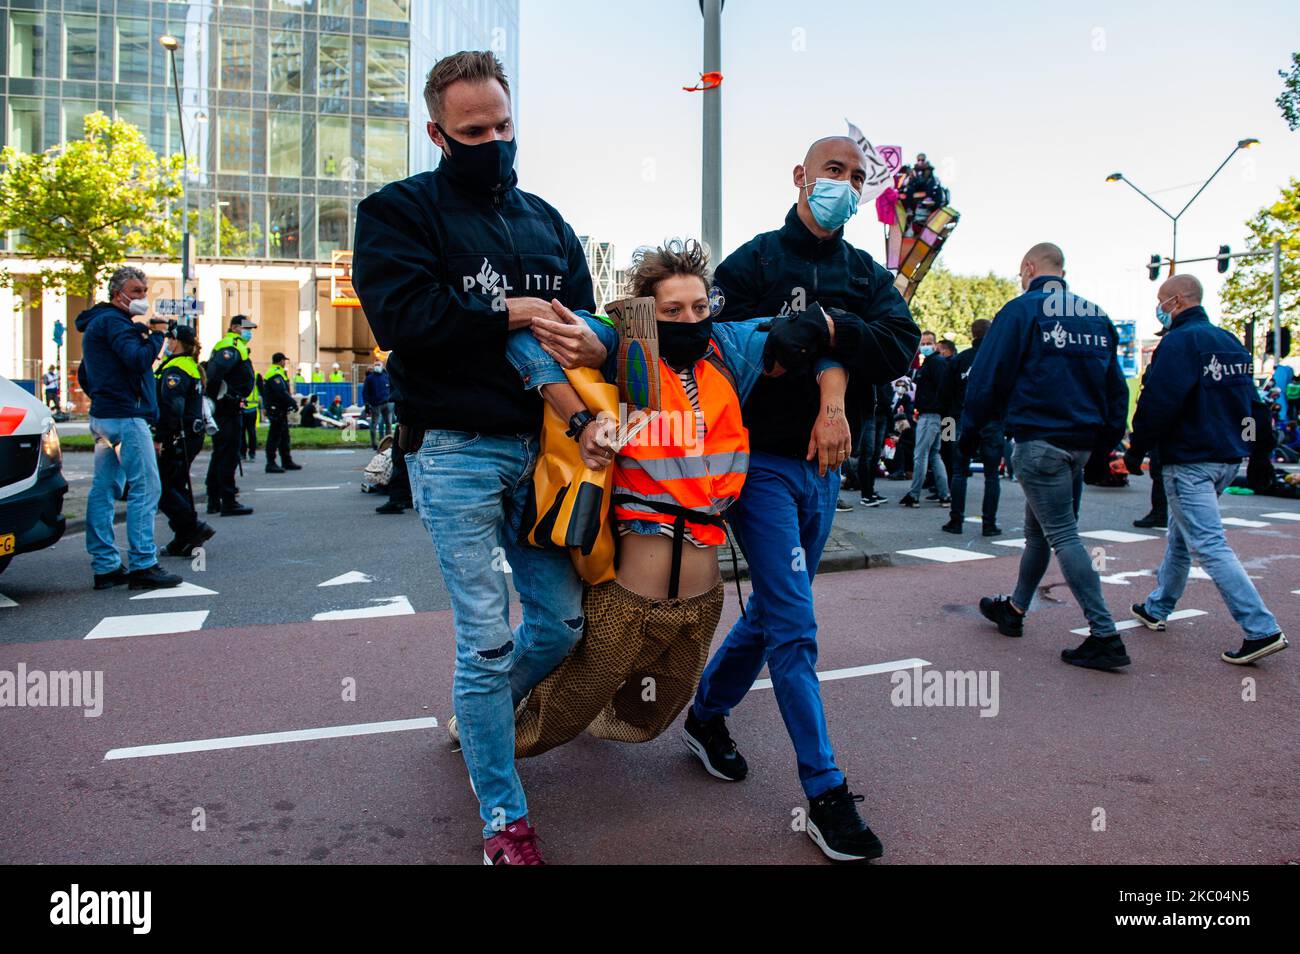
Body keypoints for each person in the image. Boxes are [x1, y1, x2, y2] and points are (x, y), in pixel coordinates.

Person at [352, 49, 610, 865]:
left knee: (561, 625)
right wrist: (514, 310)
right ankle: (504, 818)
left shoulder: (547, 217)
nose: (494, 140)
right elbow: (407, 322)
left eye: (503, 125)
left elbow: (590, 330)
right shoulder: (395, 213)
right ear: (437, 132)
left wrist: (586, 335)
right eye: (474, 130)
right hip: (454, 451)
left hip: (546, 453)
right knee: (485, 641)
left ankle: (482, 712)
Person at [499, 238, 853, 761]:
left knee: (655, 709)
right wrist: (581, 420)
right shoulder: (622, 346)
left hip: (701, 600)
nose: (689, 319)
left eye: (699, 307)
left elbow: (823, 338)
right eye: (672, 310)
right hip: (630, 592)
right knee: (568, 705)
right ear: (647, 312)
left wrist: (832, 404)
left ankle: (558, 722)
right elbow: (526, 342)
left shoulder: (732, 350)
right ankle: (488, 737)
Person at [685, 135, 920, 862]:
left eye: (855, 177)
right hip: (757, 467)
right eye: (832, 172)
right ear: (800, 176)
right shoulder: (753, 261)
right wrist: (825, 351)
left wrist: (824, 333)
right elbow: (710, 342)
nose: (843, 186)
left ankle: (705, 715)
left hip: (825, 472)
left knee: (776, 617)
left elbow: (900, 344)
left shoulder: (863, 271)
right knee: (795, 624)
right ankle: (824, 791)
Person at [963, 243, 1131, 670]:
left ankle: (1105, 634)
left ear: (1029, 268)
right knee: (1040, 533)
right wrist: (1105, 446)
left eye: (1022, 273)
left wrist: (971, 431)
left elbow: (988, 375)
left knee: (1062, 535)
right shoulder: (1096, 315)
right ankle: (1015, 610)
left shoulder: (1022, 311)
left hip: (1040, 441)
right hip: (1080, 443)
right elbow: (1117, 389)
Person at [1124, 274, 1288, 665]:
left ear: (1177, 301)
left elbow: (1158, 403)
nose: (1159, 308)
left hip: (1189, 460)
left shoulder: (1177, 343)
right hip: (1227, 458)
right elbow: (1255, 403)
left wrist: (1136, 450)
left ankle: (1260, 628)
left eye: (1162, 300)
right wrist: (1261, 453)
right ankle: (1158, 606)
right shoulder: (1229, 341)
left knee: (1208, 544)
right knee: (1182, 536)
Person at [75, 266, 183, 590]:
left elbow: (85, 374)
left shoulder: (98, 324)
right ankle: (143, 564)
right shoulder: (115, 323)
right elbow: (137, 360)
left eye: (145, 291)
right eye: (136, 291)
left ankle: (106, 565)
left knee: (104, 490)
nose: (143, 297)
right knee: (146, 488)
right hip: (126, 417)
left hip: (105, 417)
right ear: (117, 293)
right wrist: (159, 337)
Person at [153, 324, 215, 558]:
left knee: (163, 487)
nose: (166, 342)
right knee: (175, 485)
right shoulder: (189, 366)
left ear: (176, 342)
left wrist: (161, 437)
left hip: (177, 436)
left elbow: (172, 407)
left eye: (169, 339)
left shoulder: (176, 368)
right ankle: (185, 536)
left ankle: (193, 528)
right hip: (188, 435)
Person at [943, 319, 1003, 535]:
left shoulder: (960, 359)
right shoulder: (998, 359)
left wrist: (947, 428)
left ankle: (956, 520)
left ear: (972, 333)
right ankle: (989, 523)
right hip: (992, 421)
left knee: (959, 472)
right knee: (992, 475)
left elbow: (946, 395)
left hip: (961, 419)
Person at [204, 315, 257, 517]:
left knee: (221, 453)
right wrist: (226, 397)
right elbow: (215, 374)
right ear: (235, 327)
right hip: (227, 408)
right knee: (227, 454)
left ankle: (214, 499)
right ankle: (227, 499)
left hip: (227, 406)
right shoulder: (230, 345)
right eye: (246, 328)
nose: (249, 332)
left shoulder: (234, 345)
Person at [899, 330, 951, 507]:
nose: (925, 346)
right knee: (935, 455)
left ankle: (914, 495)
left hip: (930, 415)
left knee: (921, 455)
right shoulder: (932, 363)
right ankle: (945, 494)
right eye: (923, 343)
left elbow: (941, 390)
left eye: (929, 343)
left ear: (935, 344)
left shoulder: (935, 364)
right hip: (935, 416)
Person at [262, 352, 301, 473]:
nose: (285, 363)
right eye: (284, 360)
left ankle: (286, 461)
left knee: (284, 437)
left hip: (280, 410)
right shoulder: (275, 373)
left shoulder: (278, 373)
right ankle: (271, 463)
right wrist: (293, 403)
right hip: (276, 410)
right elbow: (281, 392)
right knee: (274, 437)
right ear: (280, 361)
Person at [362, 362, 393, 449]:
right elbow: (365, 392)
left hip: (387, 403)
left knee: (388, 423)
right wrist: (366, 403)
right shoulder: (370, 378)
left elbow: (391, 387)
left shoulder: (386, 376)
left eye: (378, 365)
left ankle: (388, 443)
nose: (377, 367)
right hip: (376, 404)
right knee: (374, 424)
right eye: (375, 365)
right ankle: (374, 443)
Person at [240, 371, 261, 462]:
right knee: (244, 432)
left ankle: (250, 453)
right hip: (243, 408)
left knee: (250, 432)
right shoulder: (255, 375)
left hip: (251, 408)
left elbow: (262, 390)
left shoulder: (256, 376)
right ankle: (244, 453)